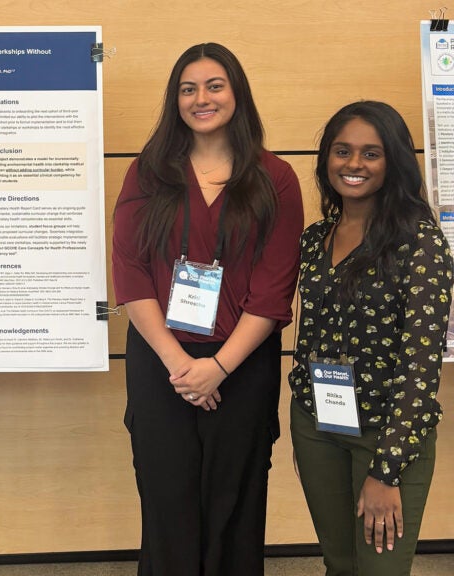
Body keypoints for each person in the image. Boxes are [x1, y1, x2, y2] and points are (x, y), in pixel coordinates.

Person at [111, 43, 304, 575]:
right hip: (161, 360)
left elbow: (273, 288)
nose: (202, 98)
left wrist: (218, 367)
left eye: (214, 85)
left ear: (237, 93)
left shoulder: (275, 177)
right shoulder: (147, 173)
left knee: (233, 501)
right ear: (175, 100)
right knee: (166, 496)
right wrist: (182, 366)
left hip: (242, 362)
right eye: (188, 89)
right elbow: (131, 274)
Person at [289, 101, 452, 576]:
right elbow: (308, 337)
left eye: (371, 153)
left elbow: (420, 366)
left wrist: (387, 469)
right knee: (339, 565)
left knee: (381, 571)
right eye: (342, 151)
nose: (354, 163)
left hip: (387, 433)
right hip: (317, 424)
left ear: (393, 161)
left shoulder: (420, 242)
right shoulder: (314, 238)